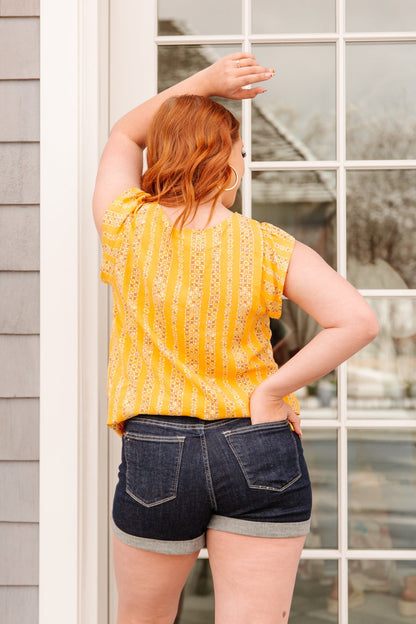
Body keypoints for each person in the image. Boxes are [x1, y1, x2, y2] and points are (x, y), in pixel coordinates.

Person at [93, 53, 379, 624]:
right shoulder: (267, 245)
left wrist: (206, 83)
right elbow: (358, 320)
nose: (245, 165)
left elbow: (126, 130)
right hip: (257, 442)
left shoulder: (126, 226)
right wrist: (271, 394)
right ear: (224, 165)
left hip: (157, 448)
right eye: (242, 153)